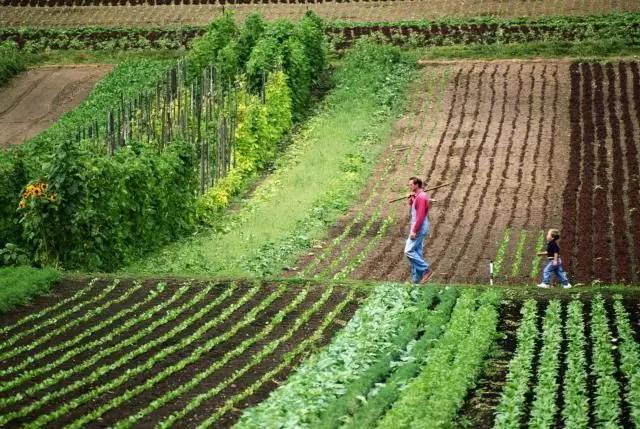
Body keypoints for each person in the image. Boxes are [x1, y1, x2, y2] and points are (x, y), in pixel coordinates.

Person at [405, 176, 433, 284]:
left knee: (408, 250)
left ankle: (426, 270)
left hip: (419, 226)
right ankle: (416, 280)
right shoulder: (418, 196)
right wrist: (411, 198)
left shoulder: (421, 197)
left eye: (411, 185)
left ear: (417, 185)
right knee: (417, 252)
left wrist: (414, 231)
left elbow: (420, 216)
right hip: (418, 226)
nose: (409, 186)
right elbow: (413, 207)